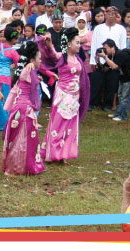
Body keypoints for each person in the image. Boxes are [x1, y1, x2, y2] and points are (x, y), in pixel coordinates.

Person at [39, 27, 90, 163]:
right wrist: (49, 43)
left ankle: (64, 153)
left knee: (70, 125)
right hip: (62, 95)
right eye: (77, 43)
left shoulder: (78, 59)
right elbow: (51, 54)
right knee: (58, 124)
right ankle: (52, 152)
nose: (79, 46)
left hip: (74, 96)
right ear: (69, 44)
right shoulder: (62, 57)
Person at [1, 41, 45, 176]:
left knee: (21, 138)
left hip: (19, 107)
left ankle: (21, 165)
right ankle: (18, 166)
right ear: (32, 60)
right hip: (25, 109)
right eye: (39, 58)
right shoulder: (29, 70)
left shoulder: (27, 71)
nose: (41, 61)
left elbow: (18, 87)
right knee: (23, 139)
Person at [98, 39, 130, 122]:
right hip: (122, 78)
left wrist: (105, 57)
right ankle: (118, 113)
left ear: (112, 47)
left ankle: (123, 116)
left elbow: (114, 66)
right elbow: (105, 68)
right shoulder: (111, 56)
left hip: (129, 78)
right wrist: (98, 59)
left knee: (126, 98)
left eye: (105, 48)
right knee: (121, 96)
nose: (104, 50)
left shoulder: (121, 54)